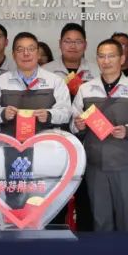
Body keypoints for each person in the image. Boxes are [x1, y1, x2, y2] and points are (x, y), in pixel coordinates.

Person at [71, 39, 128, 231]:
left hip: (126, 163)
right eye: (101, 56)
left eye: (111, 56)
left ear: (122, 59)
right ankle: (103, 251)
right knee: (100, 219)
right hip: (95, 164)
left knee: (126, 217)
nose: (106, 61)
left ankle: (126, 251)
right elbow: (73, 124)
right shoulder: (86, 89)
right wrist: (78, 125)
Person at [44, 23, 98, 231]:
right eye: (68, 41)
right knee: (56, 193)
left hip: (89, 140)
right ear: (60, 44)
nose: (73, 46)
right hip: (55, 143)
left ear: (85, 45)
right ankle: (54, 238)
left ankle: (86, 239)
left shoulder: (96, 70)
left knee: (87, 194)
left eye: (77, 41)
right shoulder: (46, 71)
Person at [0, 31, 72, 137]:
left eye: (31, 49)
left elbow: (66, 113)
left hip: (46, 141)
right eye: (20, 50)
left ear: (38, 54)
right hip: (9, 141)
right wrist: (2, 114)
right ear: (13, 55)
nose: (26, 53)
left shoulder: (55, 81)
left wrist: (49, 115)